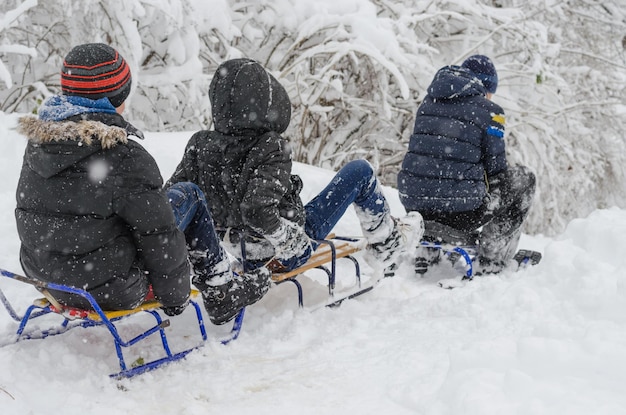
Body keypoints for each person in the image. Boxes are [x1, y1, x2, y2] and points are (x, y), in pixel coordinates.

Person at [15, 43, 269, 325]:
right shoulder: (124, 156)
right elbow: (157, 234)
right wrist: (174, 298)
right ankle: (221, 291)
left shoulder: (40, 145)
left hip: (49, 280)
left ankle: (216, 283)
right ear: (117, 96)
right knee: (190, 196)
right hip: (111, 290)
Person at [166, 58, 423, 274]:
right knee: (360, 172)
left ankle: (387, 238)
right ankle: (387, 243)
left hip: (232, 248)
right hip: (282, 250)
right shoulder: (270, 145)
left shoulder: (200, 144)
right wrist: (291, 242)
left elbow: (170, 202)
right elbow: (256, 209)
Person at [397, 55, 536, 275]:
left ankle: (428, 250)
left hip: (415, 206)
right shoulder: (492, 112)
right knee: (524, 179)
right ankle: (493, 257)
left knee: (436, 180)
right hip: (460, 214)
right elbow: (497, 171)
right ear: (485, 86)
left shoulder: (428, 103)